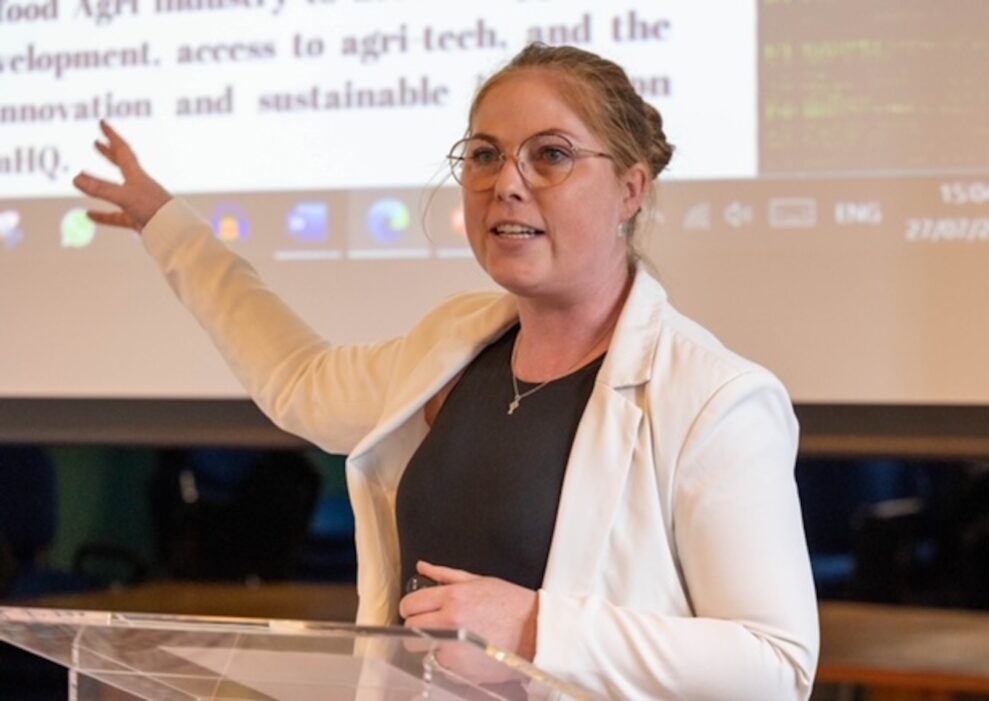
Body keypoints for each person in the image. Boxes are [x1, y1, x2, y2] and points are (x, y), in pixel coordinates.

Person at [73, 43, 819, 700]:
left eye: (551, 155)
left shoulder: (714, 397)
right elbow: (298, 380)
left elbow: (774, 664)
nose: (507, 183)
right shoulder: (454, 346)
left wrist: (533, 625)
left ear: (632, 188)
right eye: (486, 155)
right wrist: (168, 226)